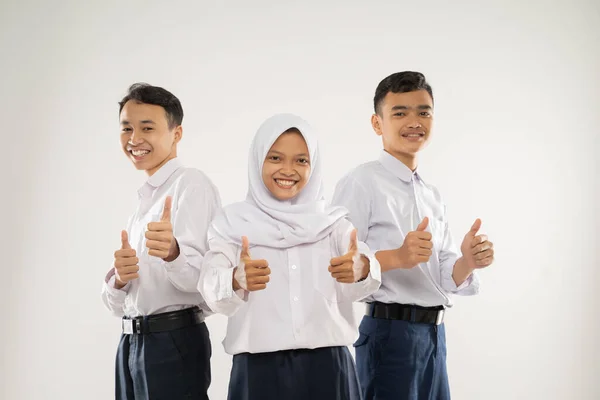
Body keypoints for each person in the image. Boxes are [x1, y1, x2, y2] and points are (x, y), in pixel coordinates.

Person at [331, 71, 495, 400]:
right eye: (400, 112)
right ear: (377, 124)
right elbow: (339, 264)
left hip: (435, 337)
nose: (414, 121)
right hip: (390, 336)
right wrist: (398, 257)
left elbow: (444, 276)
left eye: (423, 112)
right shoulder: (362, 182)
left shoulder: (431, 194)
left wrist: (467, 260)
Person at [199, 113, 382, 400]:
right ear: (257, 159)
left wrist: (362, 268)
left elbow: (365, 270)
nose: (288, 170)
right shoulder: (232, 224)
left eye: (301, 160)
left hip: (329, 369)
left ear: (314, 165)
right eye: (275, 158)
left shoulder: (332, 223)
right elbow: (210, 289)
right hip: (258, 372)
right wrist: (235, 279)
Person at [101, 83, 221, 400]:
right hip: (131, 343)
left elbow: (206, 284)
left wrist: (173, 253)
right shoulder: (145, 201)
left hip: (171, 340)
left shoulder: (191, 184)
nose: (134, 139)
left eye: (147, 128)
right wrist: (119, 278)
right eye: (126, 128)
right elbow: (117, 305)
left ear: (176, 133)